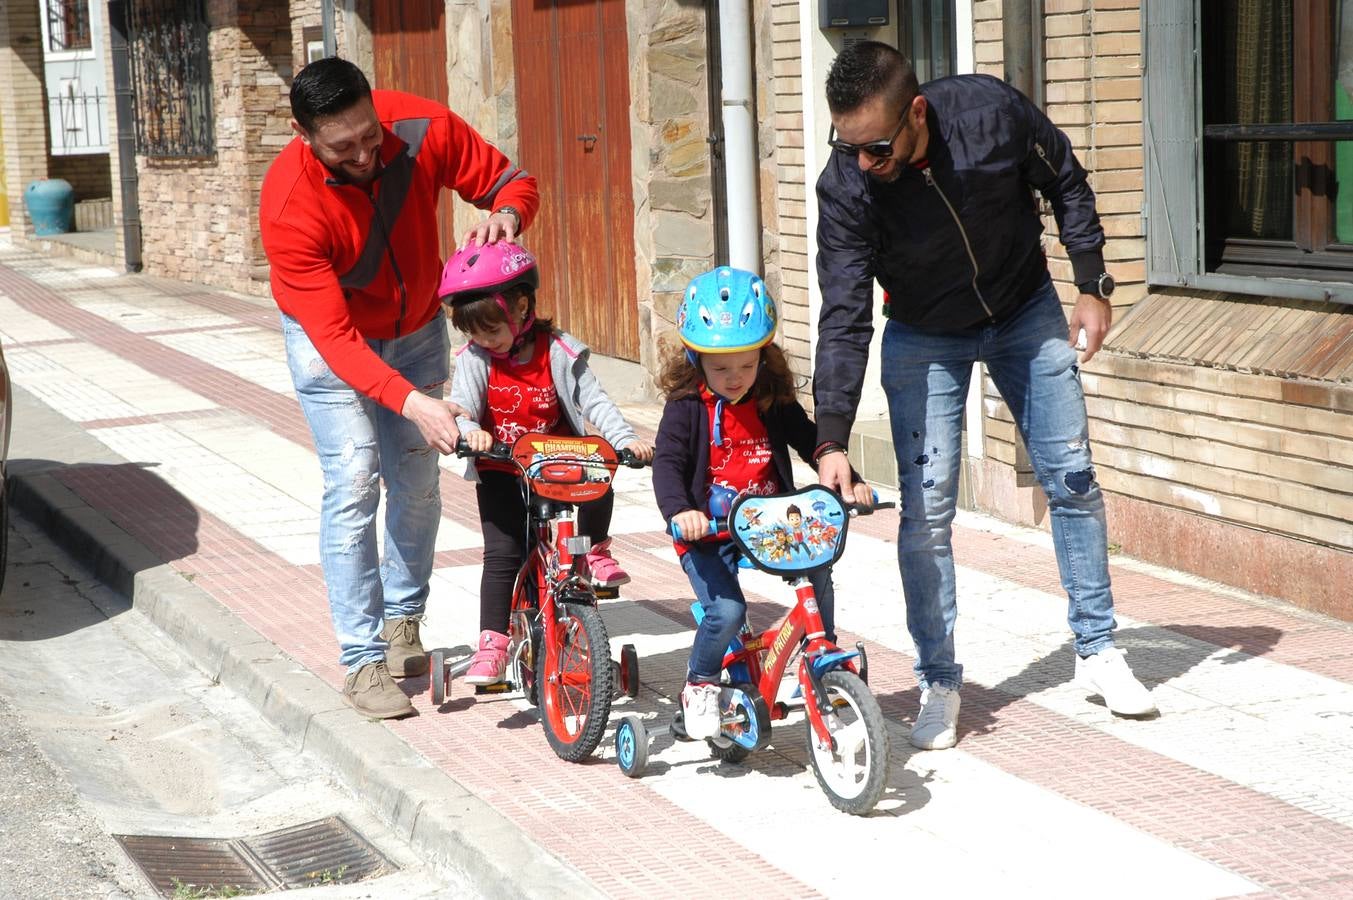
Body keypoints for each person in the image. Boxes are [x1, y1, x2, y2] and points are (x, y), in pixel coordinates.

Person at [811, 41, 1156, 751]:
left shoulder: (989, 114)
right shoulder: (847, 184)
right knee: (927, 510)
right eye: (847, 147)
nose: (865, 164)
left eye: (877, 147)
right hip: (923, 333)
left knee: (1071, 479)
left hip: (1023, 309)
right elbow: (843, 311)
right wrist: (831, 434)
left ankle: (1096, 650)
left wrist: (1090, 283)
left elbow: (1064, 177)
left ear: (915, 112)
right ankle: (938, 679)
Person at [259, 57, 538, 720]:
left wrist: (506, 213)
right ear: (304, 136)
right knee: (355, 477)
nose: (361, 154)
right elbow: (336, 343)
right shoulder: (289, 206)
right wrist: (412, 402)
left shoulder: (417, 125)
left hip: (414, 328)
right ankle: (361, 661)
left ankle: (402, 624)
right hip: (333, 342)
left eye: (368, 136)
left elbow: (512, 180)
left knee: (415, 476)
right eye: (341, 146)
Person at [652, 267, 874, 739]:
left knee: (818, 570)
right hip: (709, 530)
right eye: (721, 368)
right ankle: (701, 682)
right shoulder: (687, 406)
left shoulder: (770, 397)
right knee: (727, 611)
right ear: (696, 359)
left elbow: (812, 441)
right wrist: (680, 512)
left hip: (769, 522)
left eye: (747, 365)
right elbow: (667, 465)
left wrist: (849, 481)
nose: (736, 378)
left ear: (764, 356)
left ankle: (819, 653)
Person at [442, 241, 654, 684]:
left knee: (603, 472)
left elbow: (593, 400)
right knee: (503, 555)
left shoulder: (557, 350)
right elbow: (460, 408)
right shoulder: (476, 359)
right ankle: (492, 646)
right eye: (473, 334)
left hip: (557, 464)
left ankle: (593, 551)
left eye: (491, 331)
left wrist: (625, 439)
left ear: (521, 307)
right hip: (501, 469)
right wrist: (470, 434)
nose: (484, 341)